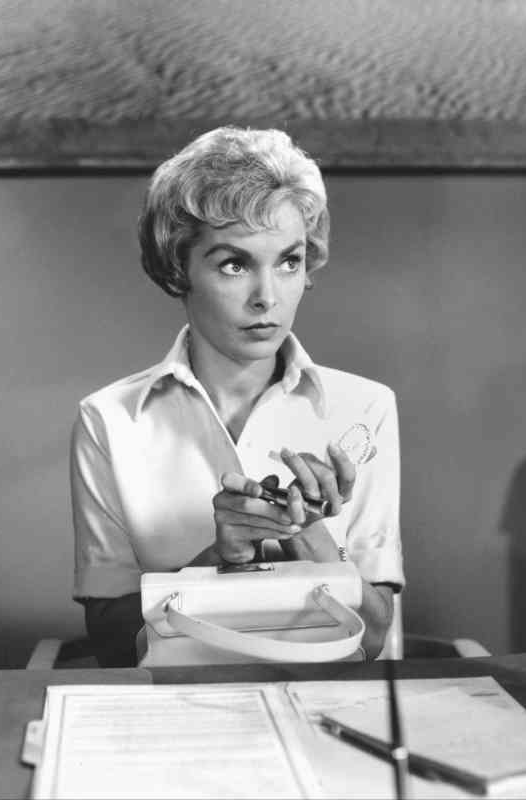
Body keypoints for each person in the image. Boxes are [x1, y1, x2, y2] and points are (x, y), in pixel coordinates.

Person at [70, 126, 403, 666]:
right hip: (172, 704)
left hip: (334, 700)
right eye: (235, 264)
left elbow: (374, 636)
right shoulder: (108, 419)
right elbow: (110, 642)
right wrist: (219, 559)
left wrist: (309, 534)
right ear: (178, 268)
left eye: (289, 261)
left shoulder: (366, 408)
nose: (267, 297)